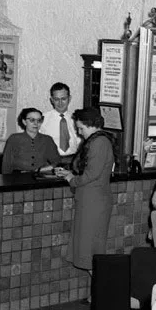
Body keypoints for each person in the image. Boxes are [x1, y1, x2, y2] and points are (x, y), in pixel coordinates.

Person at [57, 107, 115, 272]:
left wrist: (72, 179)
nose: (79, 132)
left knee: (90, 250)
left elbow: (92, 174)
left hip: (93, 202)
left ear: (91, 125)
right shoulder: (98, 141)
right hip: (91, 201)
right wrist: (71, 173)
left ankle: (99, 293)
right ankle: (97, 293)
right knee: (88, 249)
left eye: (81, 128)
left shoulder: (99, 142)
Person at [0, 107, 60, 174]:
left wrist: (43, 169)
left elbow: (56, 161)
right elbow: (6, 164)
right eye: (32, 120)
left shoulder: (47, 140)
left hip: (41, 177)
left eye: (39, 120)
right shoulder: (14, 139)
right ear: (24, 122)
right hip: (18, 178)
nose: (36, 123)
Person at [40, 82, 79, 163]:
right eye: (56, 99)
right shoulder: (42, 119)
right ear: (51, 100)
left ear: (69, 98)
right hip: (50, 162)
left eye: (63, 99)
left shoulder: (76, 119)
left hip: (72, 161)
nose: (60, 103)